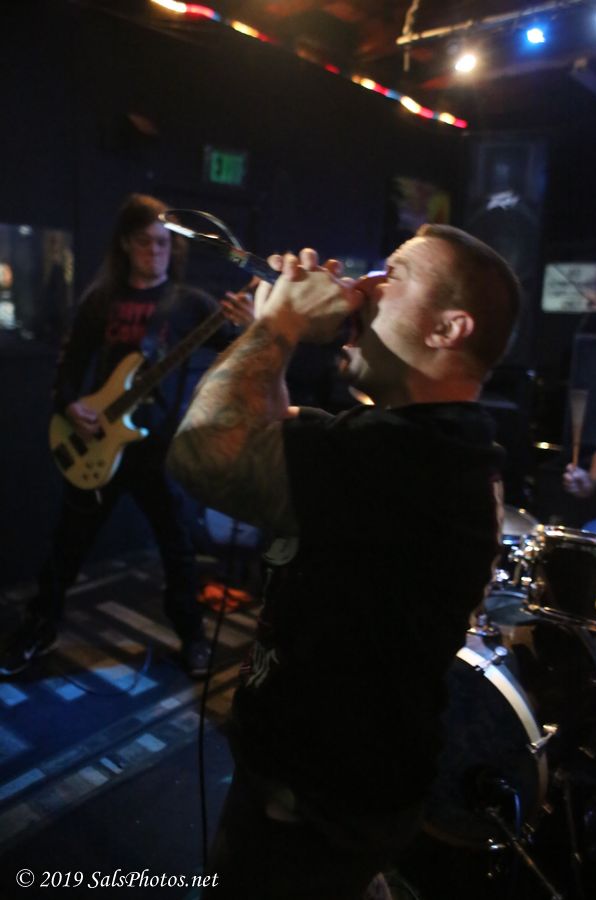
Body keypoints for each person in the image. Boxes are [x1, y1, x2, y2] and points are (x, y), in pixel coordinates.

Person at [167, 224, 520, 898]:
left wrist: (278, 328)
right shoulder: (427, 443)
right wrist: (275, 328)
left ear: (448, 328)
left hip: (312, 810)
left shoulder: (411, 463)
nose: (363, 284)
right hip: (344, 795)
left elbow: (204, 450)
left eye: (394, 274)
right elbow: (272, 432)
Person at [0, 193, 238, 678]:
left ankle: (193, 638)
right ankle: (39, 628)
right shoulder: (101, 300)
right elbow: (68, 371)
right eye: (146, 242)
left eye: (164, 243)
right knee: (67, 545)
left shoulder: (190, 303)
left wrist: (251, 326)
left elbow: (238, 353)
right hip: (99, 441)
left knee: (177, 547)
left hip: (157, 449)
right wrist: (71, 406)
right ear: (127, 243)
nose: (156, 251)